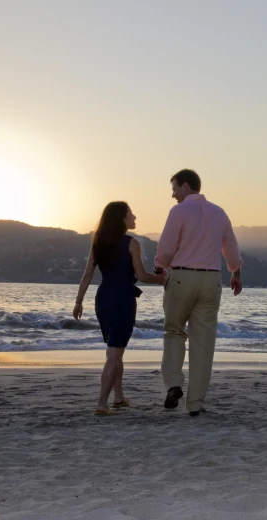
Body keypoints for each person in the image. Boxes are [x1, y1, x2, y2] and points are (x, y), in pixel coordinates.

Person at [154, 169, 243, 416]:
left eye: (174, 189)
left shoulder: (179, 211)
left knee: (173, 331)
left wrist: (160, 266)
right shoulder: (220, 213)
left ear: (185, 186)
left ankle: (173, 383)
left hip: (183, 277)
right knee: (203, 343)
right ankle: (195, 404)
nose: (172, 195)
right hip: (212, 280)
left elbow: (166, 247)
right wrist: (235, 272)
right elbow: (232, 250)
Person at [73, 201, 166, 415]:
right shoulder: (132, 243)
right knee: (113, 355)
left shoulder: (99, 243)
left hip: (103, 299)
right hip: (123, 299)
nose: (134, 217)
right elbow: (142, 276)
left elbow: (87, 273)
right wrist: (161, 279)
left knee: (116, 352)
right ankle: (101, 403)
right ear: (122, 219)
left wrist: (79, 301)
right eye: (131, 213)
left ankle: (119, 397)